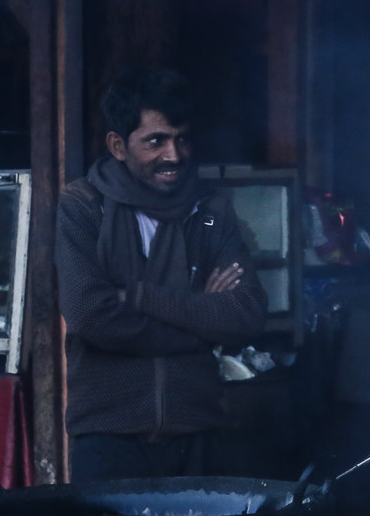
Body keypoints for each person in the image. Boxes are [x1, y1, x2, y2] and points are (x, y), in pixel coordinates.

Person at [55, 68, 268, 483]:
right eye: (156, 141)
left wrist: (139, 296)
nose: (174, 155)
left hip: (198, 430)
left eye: (182, 139)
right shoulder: (82, 206)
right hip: (109, 434)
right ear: (118, 145)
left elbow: (247, 313)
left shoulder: (210, 212)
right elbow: (91, 316)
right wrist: (200, 322)